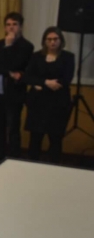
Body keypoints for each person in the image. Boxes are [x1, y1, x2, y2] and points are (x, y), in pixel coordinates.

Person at [0, 12, 34, 162]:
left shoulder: (26, 46)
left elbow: (16, 64)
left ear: (20, 27)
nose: (11, 27)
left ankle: (14, 159)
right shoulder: (0, 44)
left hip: (14, 94)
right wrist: (9, 72)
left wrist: (9, 48)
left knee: (13, 128)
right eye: (8, 25)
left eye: (14, 24)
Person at [24, 27, 74, 163]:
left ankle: (54, 167)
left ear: (60, 40)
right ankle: (32, 165)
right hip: (37, 103)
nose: (52, 42)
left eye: (55, 39)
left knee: (55, 138)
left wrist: (41, 85)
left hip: (58, 104)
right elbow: (28, 77)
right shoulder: (36, 56)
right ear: (44, 41)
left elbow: (65, 79)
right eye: (49, 39)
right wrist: (45, 82)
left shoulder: (68, 57)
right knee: (35, 137)